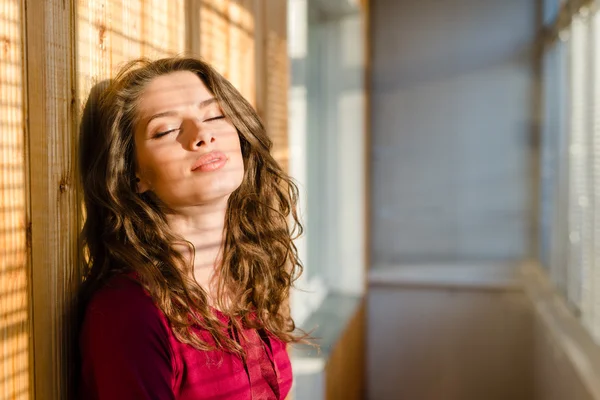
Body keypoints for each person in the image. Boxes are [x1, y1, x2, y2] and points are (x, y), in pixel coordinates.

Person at [77, 57, 304, 400]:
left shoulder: (250, 275)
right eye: (166, 130)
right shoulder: (132, 314)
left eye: (214, 115)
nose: (202, 135)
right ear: (136, 174)